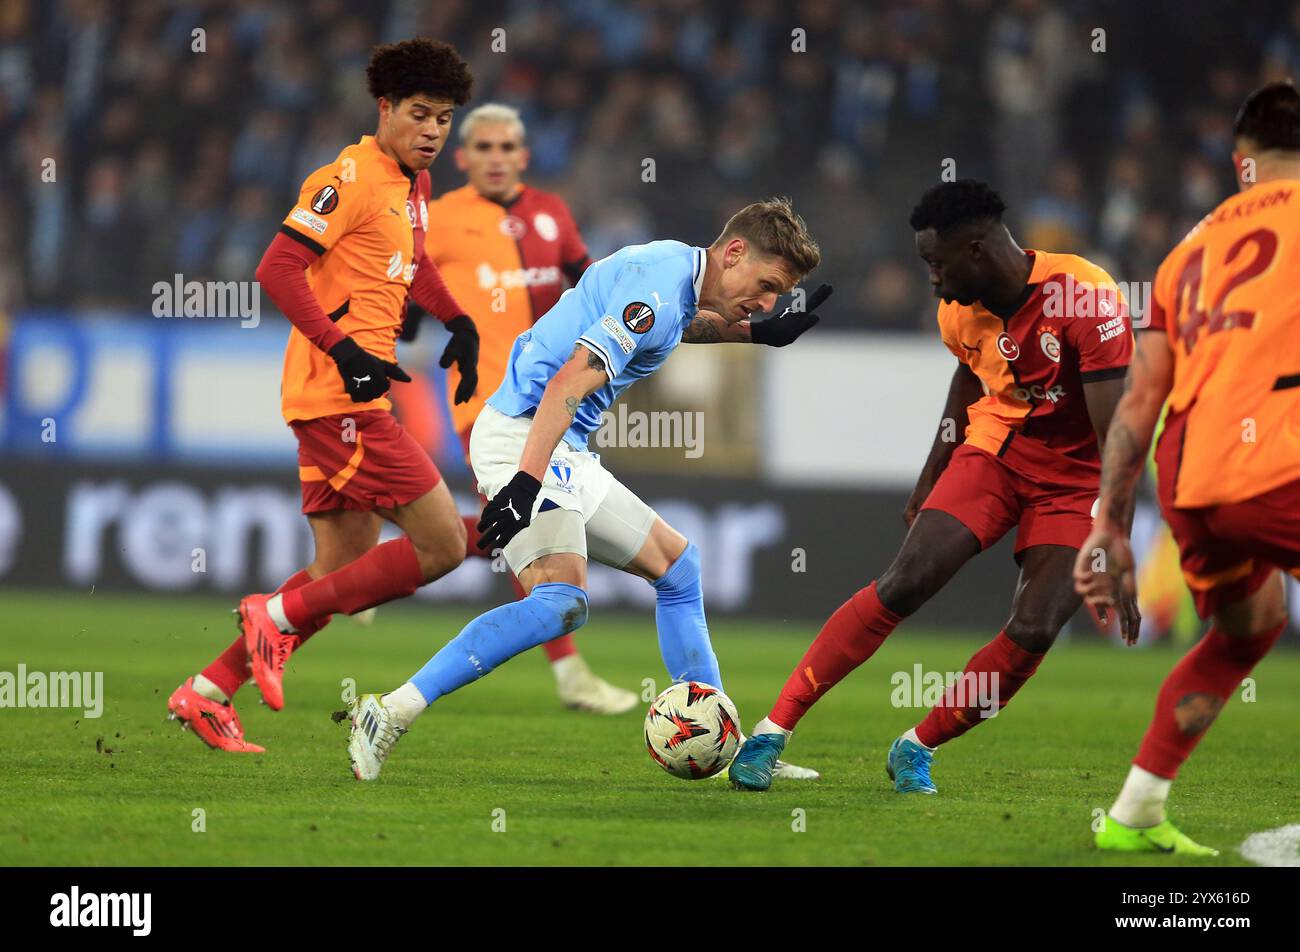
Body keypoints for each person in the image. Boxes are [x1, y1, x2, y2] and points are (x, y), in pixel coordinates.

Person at [344, 198, 830, 781]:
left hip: (560, 448)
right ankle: (389, 711)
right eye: (768, 285)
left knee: (680, 570)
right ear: (734, 253)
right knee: (560, 604)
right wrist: (525, 478)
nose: (769, 300)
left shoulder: (676, 277)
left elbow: (676, 326)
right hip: (524, 435)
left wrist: (756, 333)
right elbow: (571, 377)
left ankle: (727, 746)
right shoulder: (656, 285)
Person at [729, 179, 1138, 793]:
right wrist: (932, 473)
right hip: (996, 453)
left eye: (934, 263)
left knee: (1033, 629)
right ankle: (771, 732)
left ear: (975, 250)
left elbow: (1118, 433)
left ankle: (917, 745)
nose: (932, 280)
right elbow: (968, 381)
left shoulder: (1086, 298)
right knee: (905, 582)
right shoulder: (958, 310)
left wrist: (1115, 539)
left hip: (1078, 483)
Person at [167, 38, 480, 751]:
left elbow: (414, 262)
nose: (434, 131)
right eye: (421, 114)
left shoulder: (413, 185)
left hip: (357, 396)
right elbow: (277, 268)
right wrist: (342, 350)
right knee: (439, 543)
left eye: (445, 119)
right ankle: (271, 617)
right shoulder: (351, 177)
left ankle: (208, 691)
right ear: (386, 108)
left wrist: (457, 320)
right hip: (337, 399)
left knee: (337, 570)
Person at [1076, 81, 1300, 856]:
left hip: (1193, 483)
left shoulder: (1186, 252)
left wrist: (1108, 522)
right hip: (1280, 459)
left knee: (1248, 630)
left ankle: (1136, 810)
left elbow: (1140, 400)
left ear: (1241, 161)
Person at [402, 102, 635, 714]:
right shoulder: (441, 219)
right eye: (484, 148)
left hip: (551, 398)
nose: (497, 158)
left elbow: (592, 284)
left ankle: (387, 564)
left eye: (508, 148)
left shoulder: (551, 213)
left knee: (514, 527)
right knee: (525, 520)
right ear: (464, 157)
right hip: (483, 402)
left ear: (524, 156)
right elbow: (407, 297)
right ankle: (570, 672)